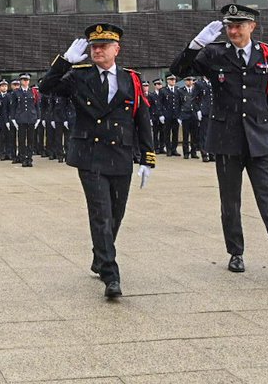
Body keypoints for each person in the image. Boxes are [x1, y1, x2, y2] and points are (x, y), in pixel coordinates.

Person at [170, 4, 268, 278]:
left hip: (259, 138)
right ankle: (236, 252)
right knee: (230, 201)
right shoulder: (214, 53)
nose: (233, 31)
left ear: (252, 27)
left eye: (239, 26)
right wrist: (196, 45)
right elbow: (178, 70)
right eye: (229, 26)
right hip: (226, 139)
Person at [40, 24, 155, 298]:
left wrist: (147, 157)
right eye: (94, 46)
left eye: (103, 46)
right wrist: (64, 62)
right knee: (101, 214)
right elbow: (46, 87)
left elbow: (141, 118)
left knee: (116, 213)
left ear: (117, 49)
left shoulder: (131, 79)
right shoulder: (79, 76)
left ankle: (100, 256)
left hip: (121, 153)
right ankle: (111, 275)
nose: (97, 50)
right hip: (89, 155)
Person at [11, 72, 40, 167]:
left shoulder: (33, 92)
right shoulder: (16, 92)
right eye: (24, 80)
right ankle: (23, 158)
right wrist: (13, 118)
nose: (26, 81)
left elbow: (37, 106)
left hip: (31, 118)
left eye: (27, 80)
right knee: (22, 140)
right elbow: (13, 107)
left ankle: (29, 158)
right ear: (20, 81)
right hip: (21, 118)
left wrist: (38, 118)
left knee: (31, 140)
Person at [178, 76, 200, 159]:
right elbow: (178, 104)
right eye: (188, 80)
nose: (190, 82)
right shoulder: (180, 91)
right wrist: (179, 116)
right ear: (185, 81)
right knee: (186, 135)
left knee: (194, 135)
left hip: (194, 115)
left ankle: (193, 152)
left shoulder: (195, 90)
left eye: (191, 80)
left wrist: (198, 111)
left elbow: (198, 101)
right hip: (185, 115)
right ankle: (186, 152)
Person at [159, 75, 181, 156]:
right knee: (167, 133)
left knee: (175, 133)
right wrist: (161, 114)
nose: (173, 81)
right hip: (167, 115)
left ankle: (174, 149)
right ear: (167, 81)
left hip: (176, 115)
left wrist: (180, 115)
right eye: (171, 79)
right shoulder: (163, 90)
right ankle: (168, 149)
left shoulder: (178, 90)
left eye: (174, 79)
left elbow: (180, 103)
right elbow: (160, 103)